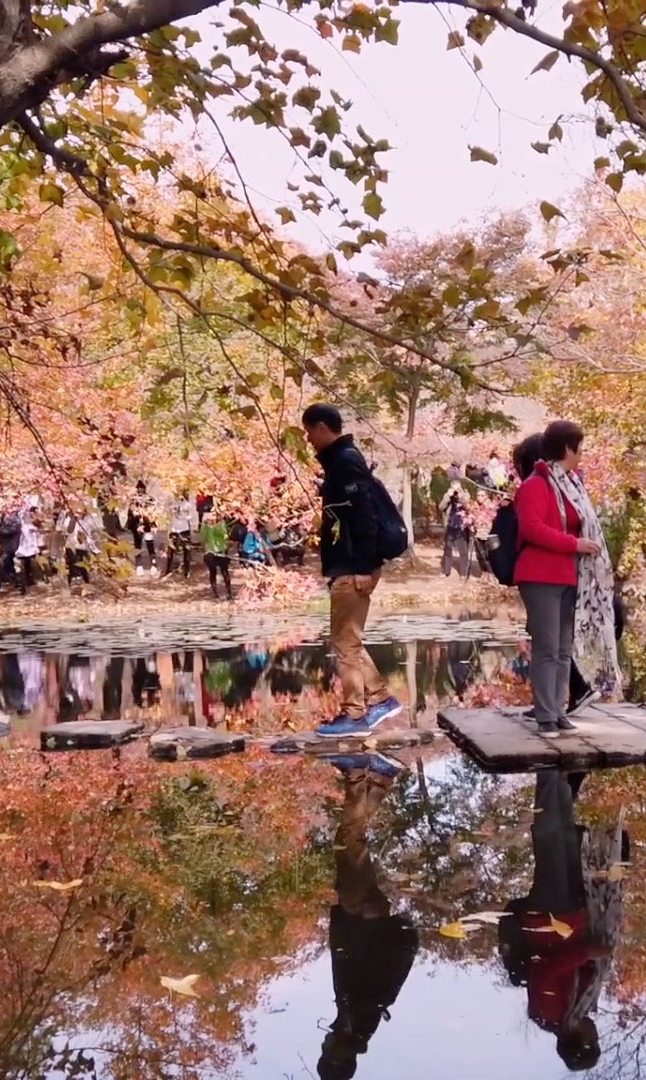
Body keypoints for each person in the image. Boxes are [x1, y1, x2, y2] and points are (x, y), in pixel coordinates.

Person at [498, 770, 613, 1072]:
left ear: (582, 1041)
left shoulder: (550, 1014)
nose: (597, 1032)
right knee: (565, 838)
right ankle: (561, 777)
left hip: (549, 919)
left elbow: (545, 972)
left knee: (551, 842)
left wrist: (585, 954)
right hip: (572, 914)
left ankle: (549, 772)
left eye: (595, 1040)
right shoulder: (577, 1007)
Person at [315, 752, 417, 1080]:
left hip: (352, 914)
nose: (323, 1044)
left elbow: (346, 960)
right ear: (339, 1057)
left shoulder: (349, 1018)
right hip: (363, 913)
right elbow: (400, 956)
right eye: (327, 1052)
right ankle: (359, 776)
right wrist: (382, 922)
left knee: (348, 841)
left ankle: (378, 778)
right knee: (349, 841)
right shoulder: (365, 1015)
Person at [303, 404, 401, 736]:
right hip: (346, 564)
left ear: (320, 427)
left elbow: (364, 516)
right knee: (348, 641)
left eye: (308, 432)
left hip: (352, 566)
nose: (307, 440)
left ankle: (356, 714)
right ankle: (381, 699)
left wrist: (364, 566)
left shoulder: (346, 462)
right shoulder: (340, 462)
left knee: (346, 643)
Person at [514, 420, 613, 737]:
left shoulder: (570, 485)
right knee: (546, 647)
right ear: (567, 449)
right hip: (540, 574)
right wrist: (575, 544)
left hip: (569, 574)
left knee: (563, 648)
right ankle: (545, 714)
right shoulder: (535, 485)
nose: (582, 455)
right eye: (579, 448)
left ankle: (558, 709)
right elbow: (532, 529)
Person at [0, 500, 23, 596]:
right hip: (1, 545)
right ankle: (2, 587)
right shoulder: (1, 516)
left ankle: (15, 585)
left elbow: (13, 529)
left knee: (3, 566)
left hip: (10, 546)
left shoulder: (13, 517)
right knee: (5, 567)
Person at [440, 485, 474, 578]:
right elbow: (441, 507)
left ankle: (463, 573)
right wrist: (448, 497)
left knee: (463, 550)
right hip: (450, 525)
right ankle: (446, 571)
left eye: (458, 489)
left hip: (462, 526)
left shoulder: (466, 494)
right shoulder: (448, 496)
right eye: (454, 488)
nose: (456, 491)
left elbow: (469, 508)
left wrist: (461, 497)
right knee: (447, 549)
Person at [201, 512, 235, 601]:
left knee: (224, 571)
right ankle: (215, 593)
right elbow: (203, 537)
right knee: (212, 572)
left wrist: (215, 528)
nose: (212, 518)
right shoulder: (205, 525)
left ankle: (229, 592)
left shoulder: (221, 523)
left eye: (214, 515)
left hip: (221, 550)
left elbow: (225, 536)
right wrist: (207, 527)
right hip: (210, 551)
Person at [164, 494, 197, 578]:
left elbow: (191, 516)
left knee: (187, 549)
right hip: (174, 529)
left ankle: (187, 570)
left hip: (184, 529)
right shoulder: (173, 504)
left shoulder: (187, 505)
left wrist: (182, 517)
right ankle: (168, 569)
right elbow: (167, 514)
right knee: (171, 550)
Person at [14, 505, 41, 595]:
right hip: (22, 549)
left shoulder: (33, 524)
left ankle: (28, 585)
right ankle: (22, 586)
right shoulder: (21, 522)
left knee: (30, 568)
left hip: (31, 549)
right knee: (22, 568)